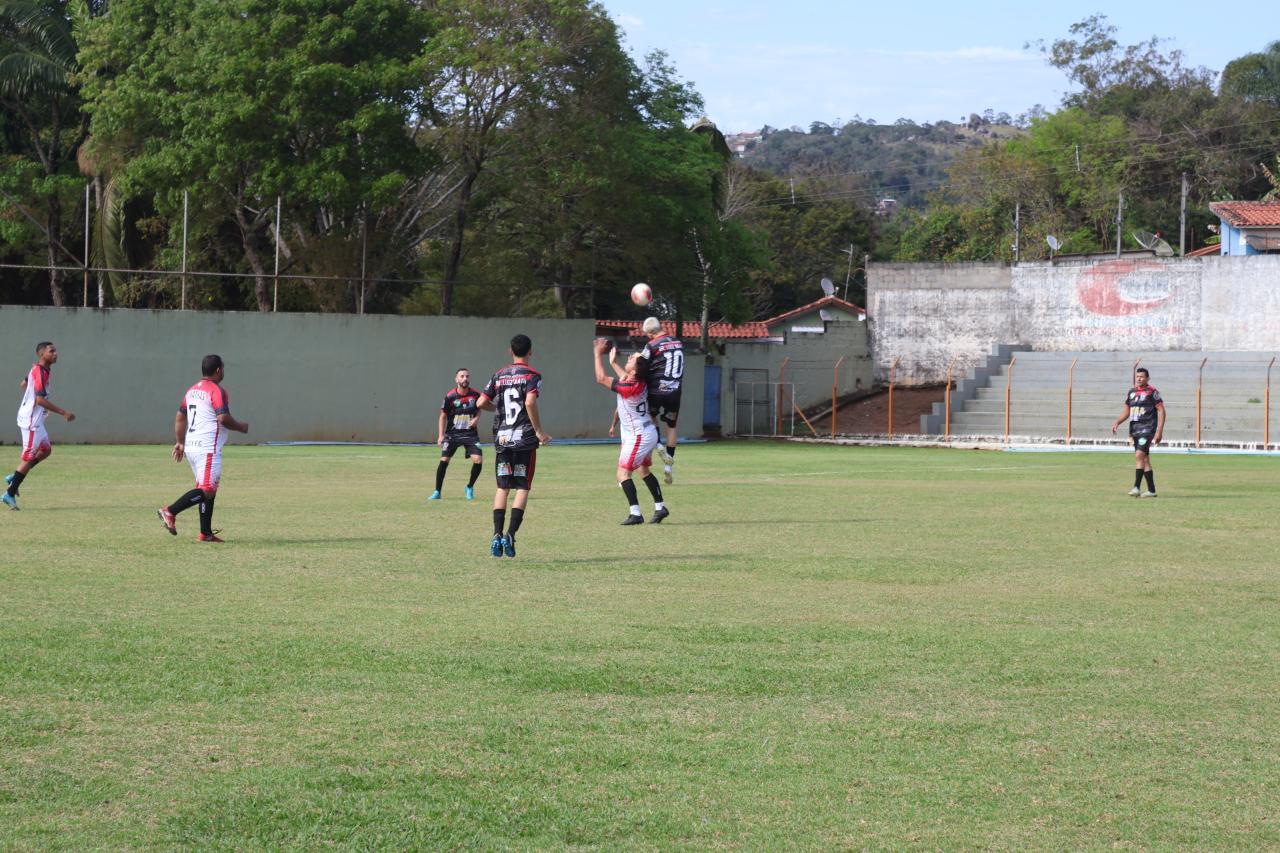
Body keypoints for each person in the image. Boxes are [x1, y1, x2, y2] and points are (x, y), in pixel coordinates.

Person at [157, 355, 250, 541]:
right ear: (218, 370)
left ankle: (205, 533)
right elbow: (223, 418)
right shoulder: (216, 391)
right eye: (223, 368)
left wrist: (180, 442)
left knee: (208, 489)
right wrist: (240, 426)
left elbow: (180, 417)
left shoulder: (191, 391)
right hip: (207, 447)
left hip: (192, 447)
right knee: (206, 489)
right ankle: (170, 511)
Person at [477, 334, 550, 557]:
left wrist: (497, 409)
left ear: (510, 351)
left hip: (502, 439)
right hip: (524, 439)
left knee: (502, 487)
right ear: (531, 351)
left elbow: (480, 402)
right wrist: (538, 431)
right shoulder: (533, 375)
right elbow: (529, 401)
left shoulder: (498, 375)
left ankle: (496, 534)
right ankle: (510, 534)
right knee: (522, 487)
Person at [594, 339, 668, 525]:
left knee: (622, 474)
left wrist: (597, 354)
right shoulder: (638, 380)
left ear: (634, 370)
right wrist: (613, 363)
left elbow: (601, 379)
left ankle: (636, 513)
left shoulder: (630, 386)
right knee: (643, 470)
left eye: (633, 358)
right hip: (645, 432)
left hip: (639, 435)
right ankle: (660, 507)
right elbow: (625, 377)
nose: (630, 356)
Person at [4, 341, 76, 511]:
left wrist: (36, 406)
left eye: (55, 350)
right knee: (27, 458)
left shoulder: (39, 369)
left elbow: (23, 385)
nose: (56, 353)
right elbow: (40, 399)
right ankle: (10, 493)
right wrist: (63, 412)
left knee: (46, 450)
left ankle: (13, 478)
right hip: (31, 423)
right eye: (52, 351)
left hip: (35, 419)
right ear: (42, 354)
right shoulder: (40, 372)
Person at [638, 317, 684, 484]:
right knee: (672, 427)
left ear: (651, 332)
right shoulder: (678, 343)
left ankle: (658, 446)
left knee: (651, 418)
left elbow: (641, 364)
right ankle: (669, 466)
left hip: (657, 389)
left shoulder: (652, 345)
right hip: (675, 391)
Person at [430, 369, 483, 501]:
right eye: (462, 376)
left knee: (478, 460)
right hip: (452, 434)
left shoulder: (476, 394)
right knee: (444, 461)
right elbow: (442, 416)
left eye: (467, 376)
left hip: (470, 434)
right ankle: (437, 491)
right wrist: (441, 435)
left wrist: (476, 418)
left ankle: (469, 487)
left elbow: (479, 408)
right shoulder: (450, 396)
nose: (465, 378)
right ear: (456, 379)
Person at [1111, 367, 1164, 498]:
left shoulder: (1152, 392)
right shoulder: (1131, 392)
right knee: (1144, 459)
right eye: (1137, 376)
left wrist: (1159, 431)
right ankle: (1151, 490)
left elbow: (1162, 411)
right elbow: (1127, 411)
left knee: (1139, 455)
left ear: (1147, 378)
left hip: (1147, 428)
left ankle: (1136, 487)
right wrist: (1117, 422)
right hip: (1135, 430)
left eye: (1142, 376)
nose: (1139, 378)